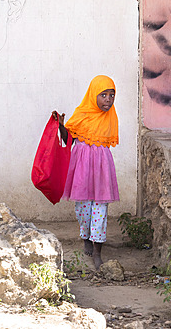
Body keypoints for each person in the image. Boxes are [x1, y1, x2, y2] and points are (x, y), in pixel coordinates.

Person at [52, 75, 119, 270]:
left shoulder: (110, 117)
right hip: (81, 168)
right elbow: (69, 141)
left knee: (100, 208)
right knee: (83, 209)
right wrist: (62, 127)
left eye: (112, 95)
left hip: (101, 169)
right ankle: (86, 237)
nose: (108, 99)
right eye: (104, 95)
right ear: (93, 95)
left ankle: (98, 252)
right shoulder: (81, 115)